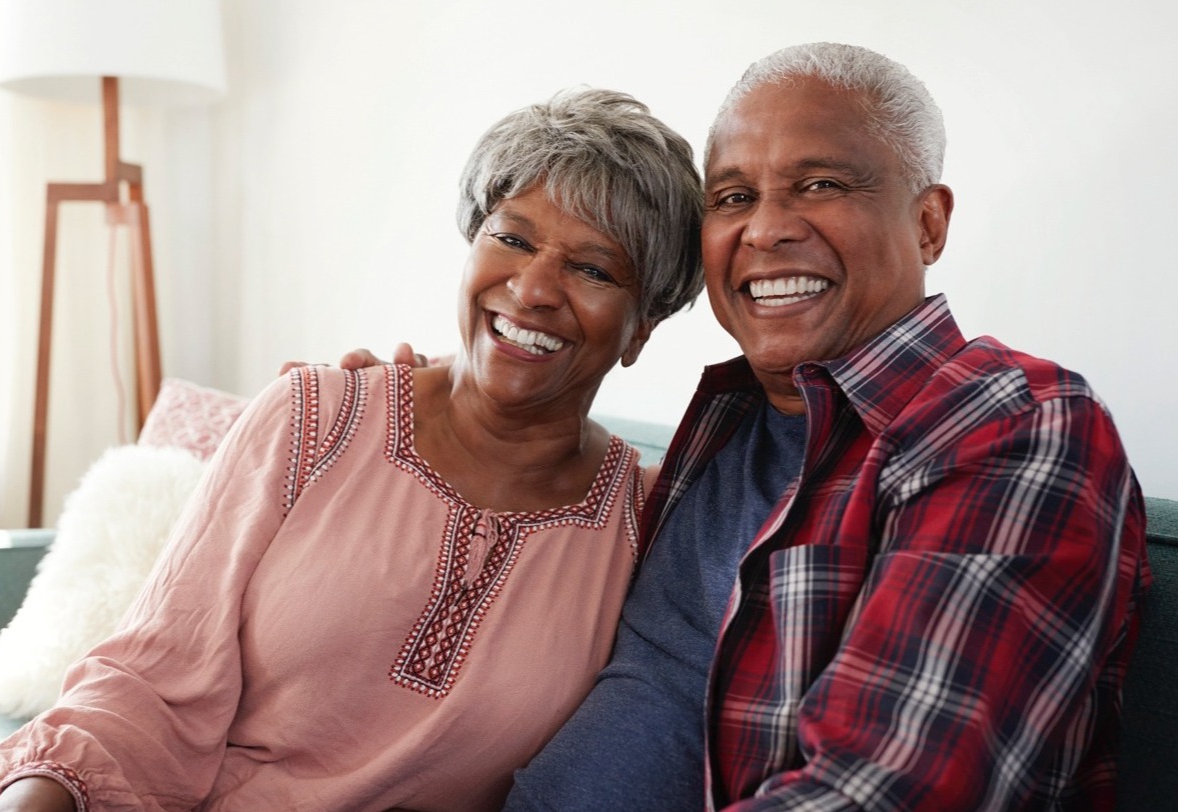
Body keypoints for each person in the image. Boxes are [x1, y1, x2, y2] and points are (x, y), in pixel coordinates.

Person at [358, 43, 1151, 810]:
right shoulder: (720, 435)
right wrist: (423, 406)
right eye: (732, 197)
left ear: (927, 225)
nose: (765, 229)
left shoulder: (1011, 426)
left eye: (819, 184)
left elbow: (883, 792)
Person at [0, 87, 704, 811]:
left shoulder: (646, 527)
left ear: (642, 327)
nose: (534, 288)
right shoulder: (316, 417)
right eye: (512, 239)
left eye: (593, 270)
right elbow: (150, 682)